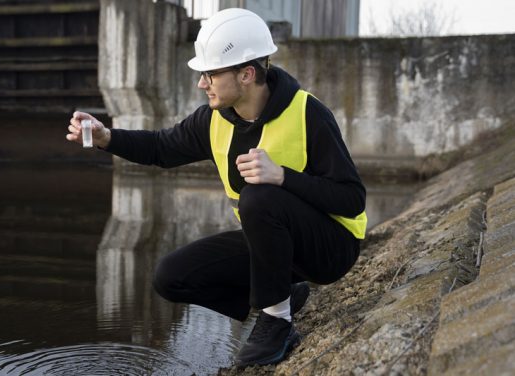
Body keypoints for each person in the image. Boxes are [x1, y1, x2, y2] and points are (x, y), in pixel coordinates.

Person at [66, 8, 367, 368]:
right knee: (171, 277)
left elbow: (352, 200)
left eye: (209, 73)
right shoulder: (212, 120)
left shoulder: (308, 113)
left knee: (258, 192)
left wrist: (283, 176)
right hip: (273, 247)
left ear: (246, 74)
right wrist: (106, 138)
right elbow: (161, 147)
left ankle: (276, 321)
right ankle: (282, 295)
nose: (201, 83)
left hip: (332, 247)